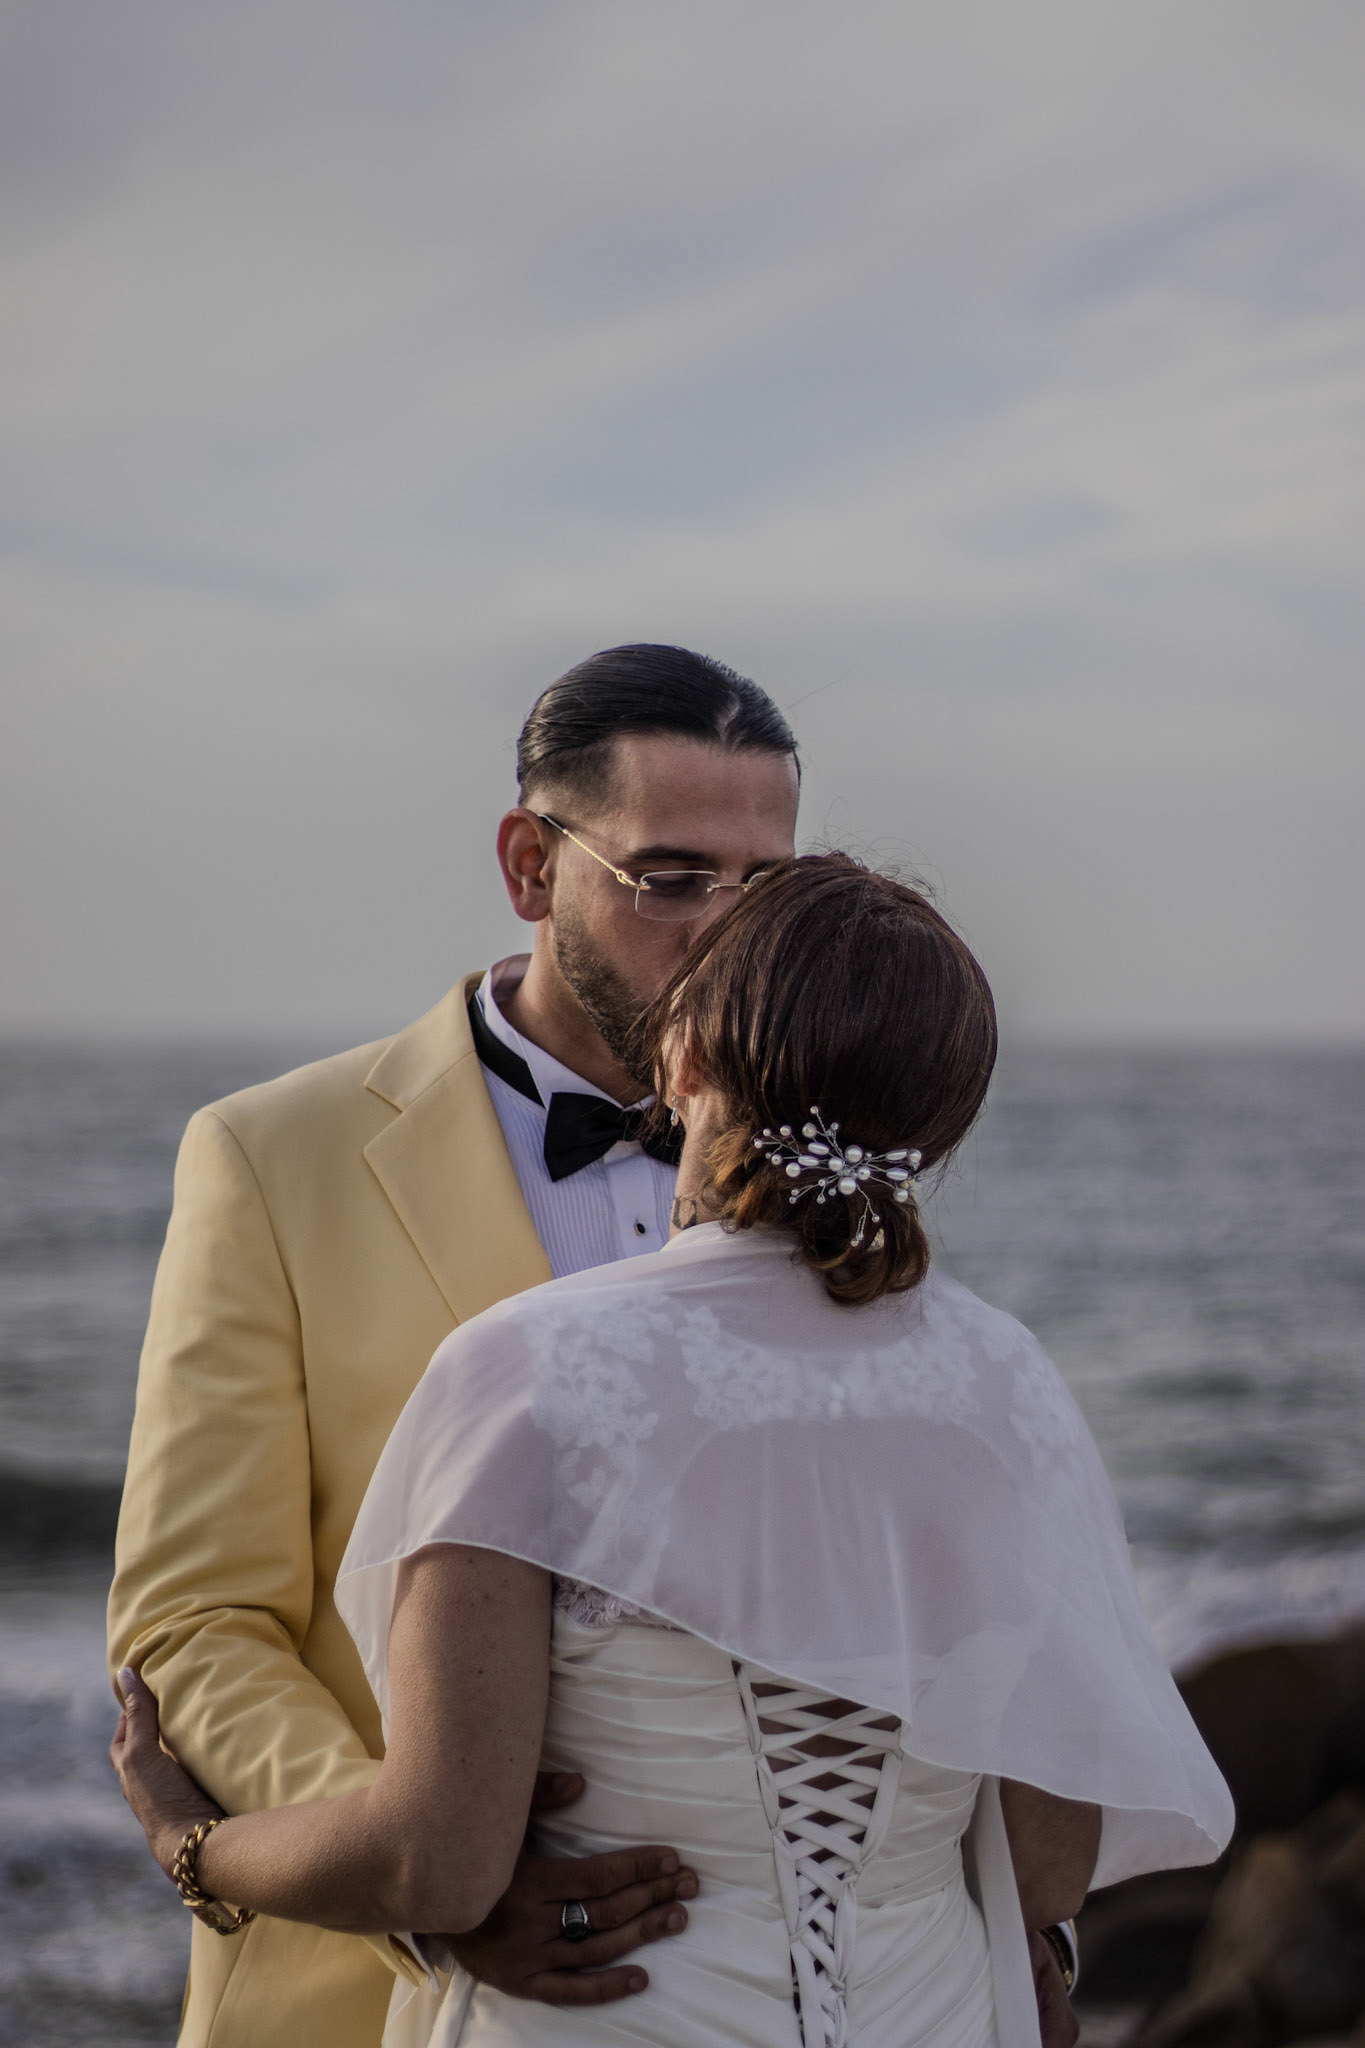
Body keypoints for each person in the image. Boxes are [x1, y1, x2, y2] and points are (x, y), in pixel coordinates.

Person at [112, 855, 1234, 2048]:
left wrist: (195, 1841)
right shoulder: (1011, 1387)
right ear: (933, 1124)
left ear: (683, 1056)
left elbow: (440, 1864)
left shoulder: (525, 1368)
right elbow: (1046, 1869)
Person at [107, 644, 805, 2048]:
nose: (727, 935)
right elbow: (196, 1619)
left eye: (764, 887)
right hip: (360, 1994)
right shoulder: (271, 1157)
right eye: (672, 878)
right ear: (531, 868)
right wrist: (421, 1873)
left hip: (748, 1982)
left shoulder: (827, 1166)